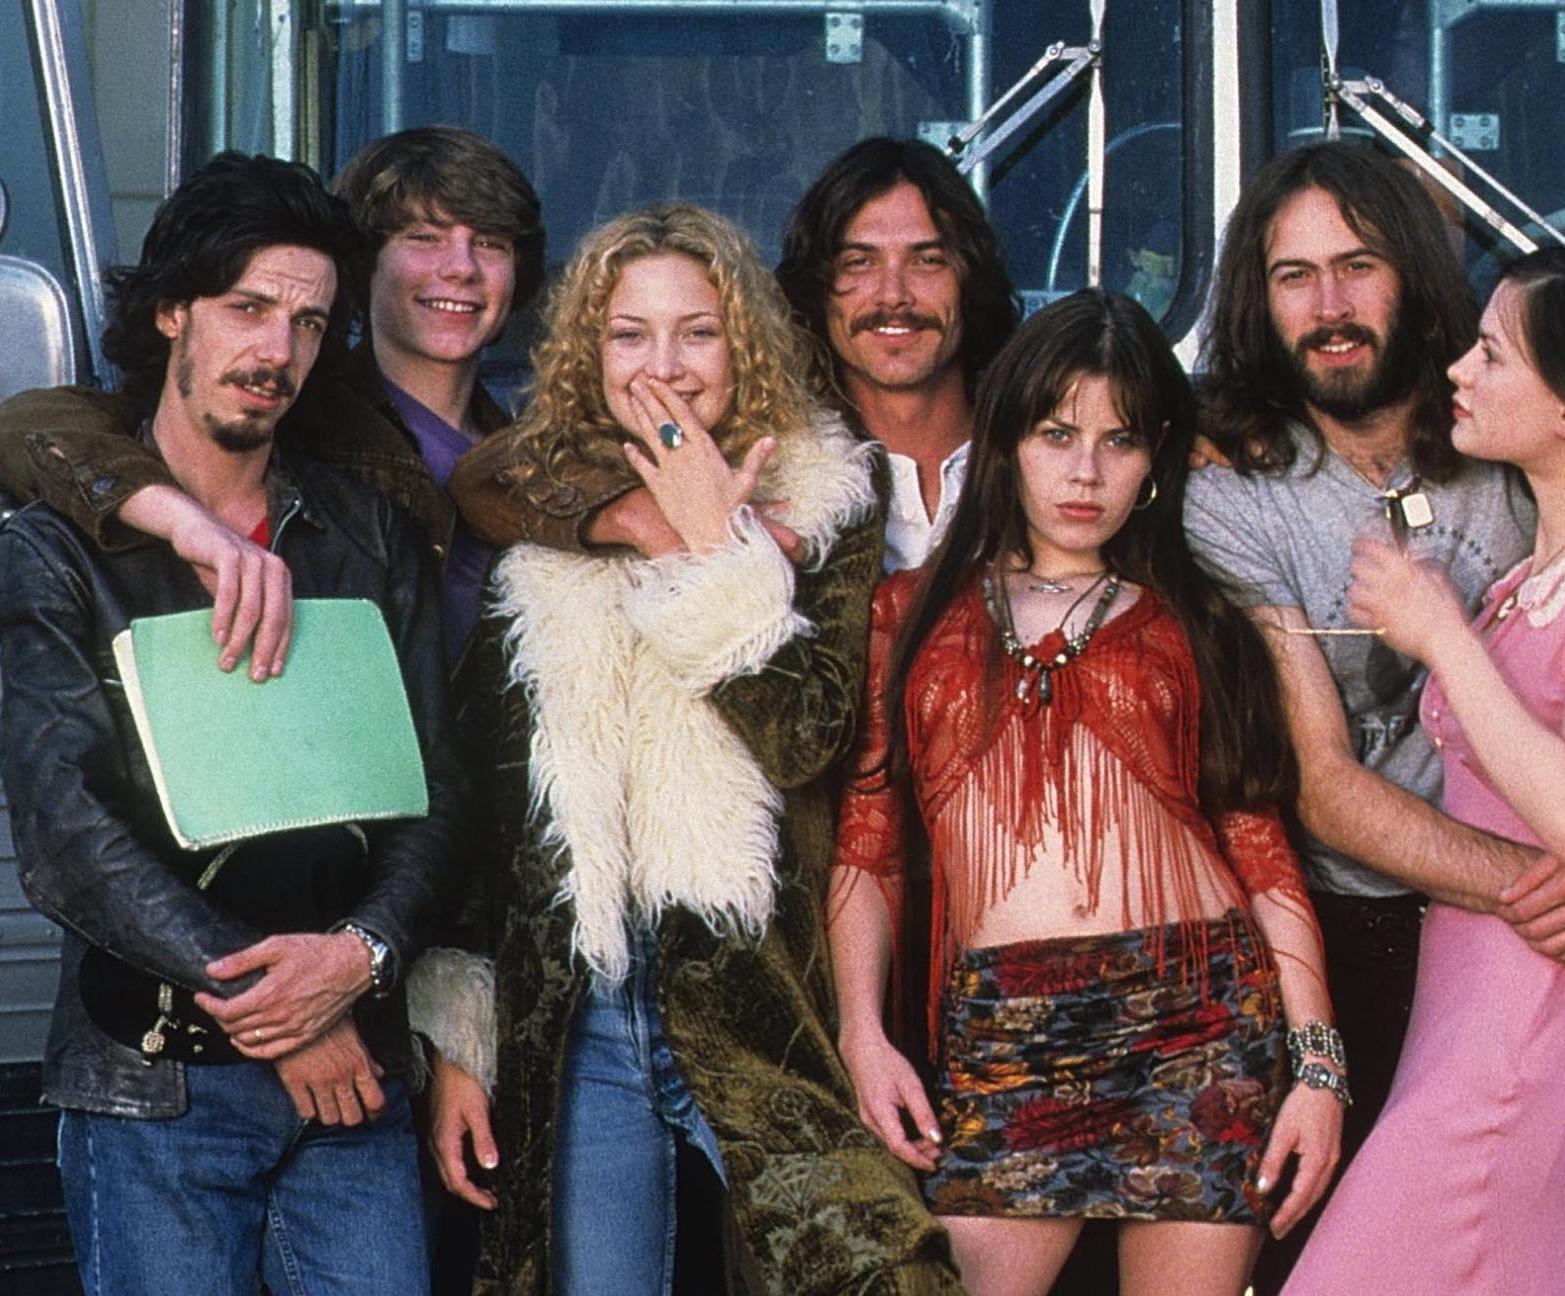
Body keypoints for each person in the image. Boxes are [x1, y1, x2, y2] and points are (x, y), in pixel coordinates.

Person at [1183, 144, 1565, 1284]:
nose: (1327, 305)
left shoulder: (1510, 466)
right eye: (1290, 275)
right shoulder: (1233, 491)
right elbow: (1322, 785)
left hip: (1521, 996)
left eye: (1356, 265)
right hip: (1375, 938)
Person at [410, 204, 960, 1296]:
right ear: (588, 349)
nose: (663, 363)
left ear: (741, 340)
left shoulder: (824, 493)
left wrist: (721, 552)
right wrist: (461, 1035)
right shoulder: (546, 492)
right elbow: (492, 805)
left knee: (883, 1276)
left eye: (695, 331)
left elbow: (808, 736)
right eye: (628, 334)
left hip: (759, 990)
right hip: (586, 1007)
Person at [0, 153, 464, 1296]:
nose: (276, 352)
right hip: (158, 1085)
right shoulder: (57, 552)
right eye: (247, 308)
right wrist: (283, 1011)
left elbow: (437, 795)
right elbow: (70, 840)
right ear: (171, 313)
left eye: (308, 323)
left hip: (358, 1069)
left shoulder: (362, 534)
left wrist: (356, 959)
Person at [829, 291, 1342, 1296]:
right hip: (1007, 1023)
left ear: (1156, 462)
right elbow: (869, 837)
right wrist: (862, 1033)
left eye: (1119, 441)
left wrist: (1317, 1070)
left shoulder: (1198, 621)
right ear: (1007, 438)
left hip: (1197, 1016)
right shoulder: (908, 609)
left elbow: (1261, 849)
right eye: (1055, 433)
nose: (1084, 471)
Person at [0, 125, 545, 671]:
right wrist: (179, 517)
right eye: (425, 237)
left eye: (491, 243)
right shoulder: (289, 408)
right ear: (366, 265)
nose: (461, 267)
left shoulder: (528, 447)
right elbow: (32, 427)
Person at [454, 135, 1020, 574]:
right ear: (819, 285)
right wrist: (642, 517)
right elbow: (490, 474)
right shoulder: (773, 444)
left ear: (969, 276)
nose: (894, 295)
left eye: (928, 261)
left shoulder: (1036, 439)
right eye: (858, 264)